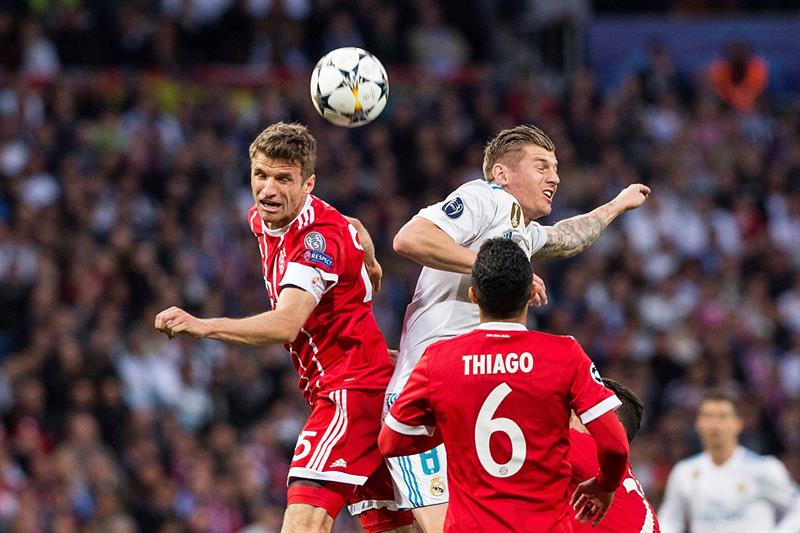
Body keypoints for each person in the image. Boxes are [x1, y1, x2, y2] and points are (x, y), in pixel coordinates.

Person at [387, 123, 650, 532]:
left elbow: (566, 238)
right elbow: (410, 238)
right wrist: (491, 270)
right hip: (429, 395)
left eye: (557, 168)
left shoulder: (518, 230)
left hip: (463, 398)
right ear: (502, 174)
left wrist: (615, 206)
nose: (555, 177)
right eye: (541, 166)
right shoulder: (484, 198)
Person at [154, 122, 413, 533]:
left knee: (302, 519)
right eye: (261, 175)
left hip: (349, 392)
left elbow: (287, 324)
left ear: (308, 183)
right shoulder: (265, 217)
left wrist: (202, 326)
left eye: (283, 179)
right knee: (393, 526)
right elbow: (348, 223)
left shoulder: (316, 242)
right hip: (361, 382)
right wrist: (365, 246)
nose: (269, 190)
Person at [379, 238, 630, 532]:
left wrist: (450, 430)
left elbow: (390, 442)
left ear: (473, 296)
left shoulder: (439, 360)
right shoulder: (565, 354)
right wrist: (604, 485)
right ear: (531, 293)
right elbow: (615, 446)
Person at [658, 388, 800, 533]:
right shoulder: (684, 472)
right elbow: (669, 520)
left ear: (738, 423)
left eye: (723, 416)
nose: (715, 424)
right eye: (708, 416)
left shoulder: (764, 468)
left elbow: (797, 508)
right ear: (698, 423)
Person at [568, 378, 660, 533]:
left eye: (579, 412)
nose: (569, 418)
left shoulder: (591, 450)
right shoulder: (619, 478)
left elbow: (523, 426)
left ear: (612, 427)